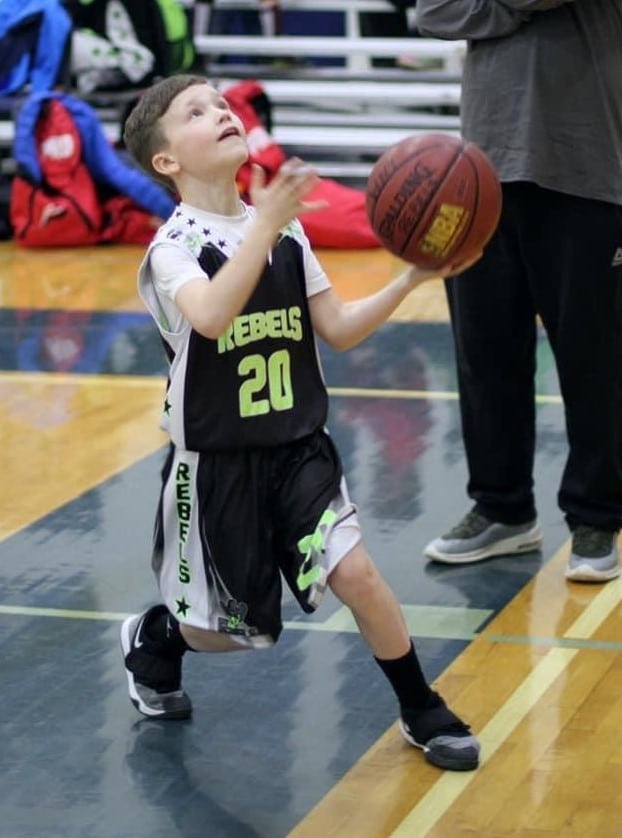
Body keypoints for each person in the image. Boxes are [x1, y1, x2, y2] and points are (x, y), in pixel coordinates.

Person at [119, 73, 481, 772]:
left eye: (221, 103)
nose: (221, 112)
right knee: (235, 634)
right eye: (196, 112)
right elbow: (212, 314)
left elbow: (338, 329)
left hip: (299, 450)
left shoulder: (284, 231)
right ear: (167, 160)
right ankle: (158, 635)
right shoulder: (173, 248)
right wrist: (263, 223)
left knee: (361, 577)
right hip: (218, 465)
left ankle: (421, 707)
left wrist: (412, 276)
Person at [415, 1, 622, 582]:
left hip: (588, 164)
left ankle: (597, 514)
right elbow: (435, 11)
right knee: (484, 353)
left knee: (594, 356)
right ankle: (502, 509)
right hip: (481, 169)